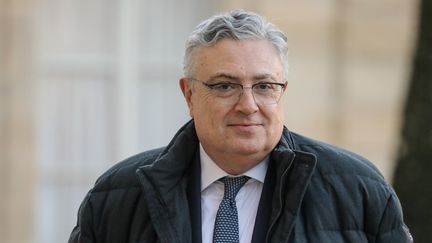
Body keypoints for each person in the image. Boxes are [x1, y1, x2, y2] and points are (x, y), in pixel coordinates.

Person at [69, 10, 412, 243]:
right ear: (188, 94)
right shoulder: (115, 197)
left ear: (283, 92)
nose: (248, 105)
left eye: (264, 86)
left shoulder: (358, 190)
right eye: (225, 86)